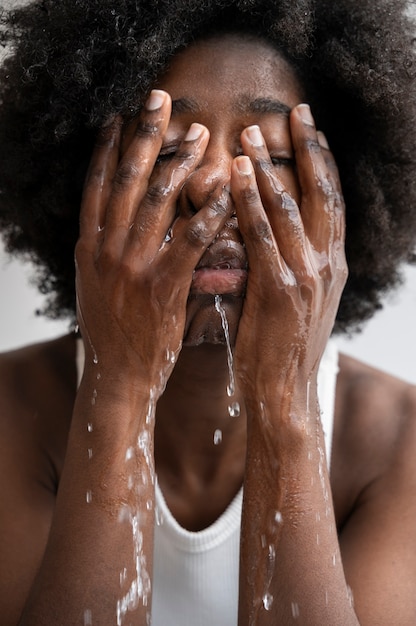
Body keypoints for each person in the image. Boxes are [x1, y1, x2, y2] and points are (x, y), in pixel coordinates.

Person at [0, 0, 416, 624]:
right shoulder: (10, 416)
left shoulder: (398, 445)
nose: (212, 182)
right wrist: (120, 387)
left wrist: (284, 400)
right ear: (83, 192)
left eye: (273, 156)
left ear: (343, 198)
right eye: (168, 151)